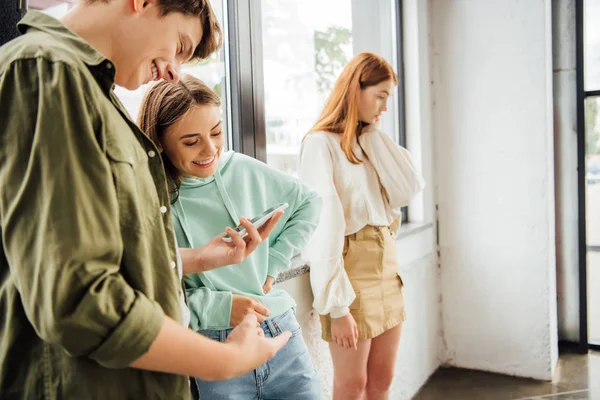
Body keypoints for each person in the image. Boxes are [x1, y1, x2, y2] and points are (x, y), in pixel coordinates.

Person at [0, 1, 290, 399]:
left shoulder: (90, 91)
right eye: (179, 44)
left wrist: (199, 259)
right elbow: (77, 296)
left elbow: (106, 253)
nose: (173, 72)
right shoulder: (46, 71)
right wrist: (224, 361)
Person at [138, 75, 324, 400]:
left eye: (216, 132)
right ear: (160, 142)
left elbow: (309, 202)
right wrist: (218, 308)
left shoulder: (243, 169)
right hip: (211, 342)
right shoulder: (150, 198)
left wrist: (273, 265)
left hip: (278, 327)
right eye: (191, 141)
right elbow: (150, 282)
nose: (210, 149)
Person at [299, 52, 426, 400]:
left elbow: (407, 189)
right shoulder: (319, 143)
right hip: (351, 271)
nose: (384, 106)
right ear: (357, 87)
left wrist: (370, 135)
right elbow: (321, 227)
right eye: (380, 96)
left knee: (381, 381)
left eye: (388, 98)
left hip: (387, 267)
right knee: (352, 386)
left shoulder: (369, 141)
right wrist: (337, 307)